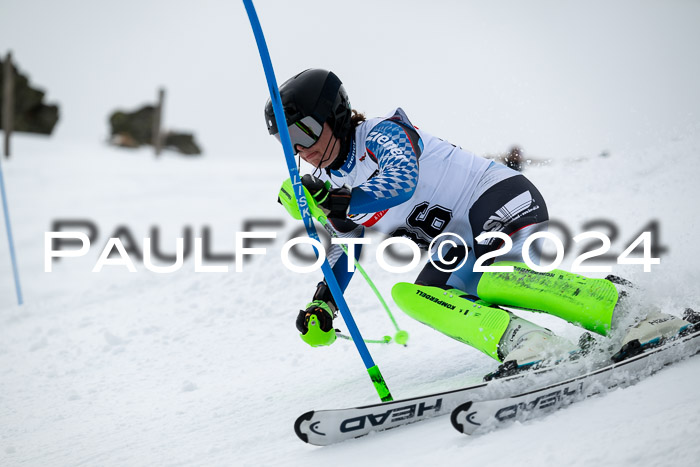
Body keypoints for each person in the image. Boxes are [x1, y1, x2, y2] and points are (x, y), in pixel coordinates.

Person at [265, 68, 694, 372]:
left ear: (334, 115)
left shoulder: (379, 133)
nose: (302, 150)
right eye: (290, 142)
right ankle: (529, 343)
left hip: (500, 201)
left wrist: (342, 200)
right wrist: (324, 300)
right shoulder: (333, 187)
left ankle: (634, 311)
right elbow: (345, 251)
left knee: (490, 273)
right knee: (417, 295)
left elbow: (400, 179)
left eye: (304, 132)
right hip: (462, 245)